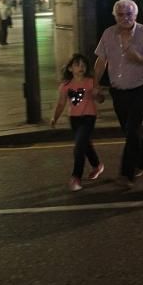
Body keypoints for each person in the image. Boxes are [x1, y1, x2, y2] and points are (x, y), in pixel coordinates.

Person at [94, 0, 143, 188]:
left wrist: (139, 58)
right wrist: (95, 84)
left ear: (136, 15)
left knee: (132, 130)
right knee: (130, 130)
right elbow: (101, 61)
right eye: (121, 14)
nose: (125, 18)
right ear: (115, 16)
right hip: (118, 91)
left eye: (129, 14)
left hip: (140, 88)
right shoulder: (108, 34)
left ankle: (126, 173)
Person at [50, 53, 105, 191]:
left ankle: (76, 177)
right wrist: (54, 118)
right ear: (70, 69)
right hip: (74, 119)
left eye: (83, 65)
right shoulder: (66, 86)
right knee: (85, 145)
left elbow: (101, 99)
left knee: (79, 146)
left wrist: (97, 95)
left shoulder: (91, 81)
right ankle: (97, 165)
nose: (81, 67)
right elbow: (61, 104)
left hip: (89, 117)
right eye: (77, 65)